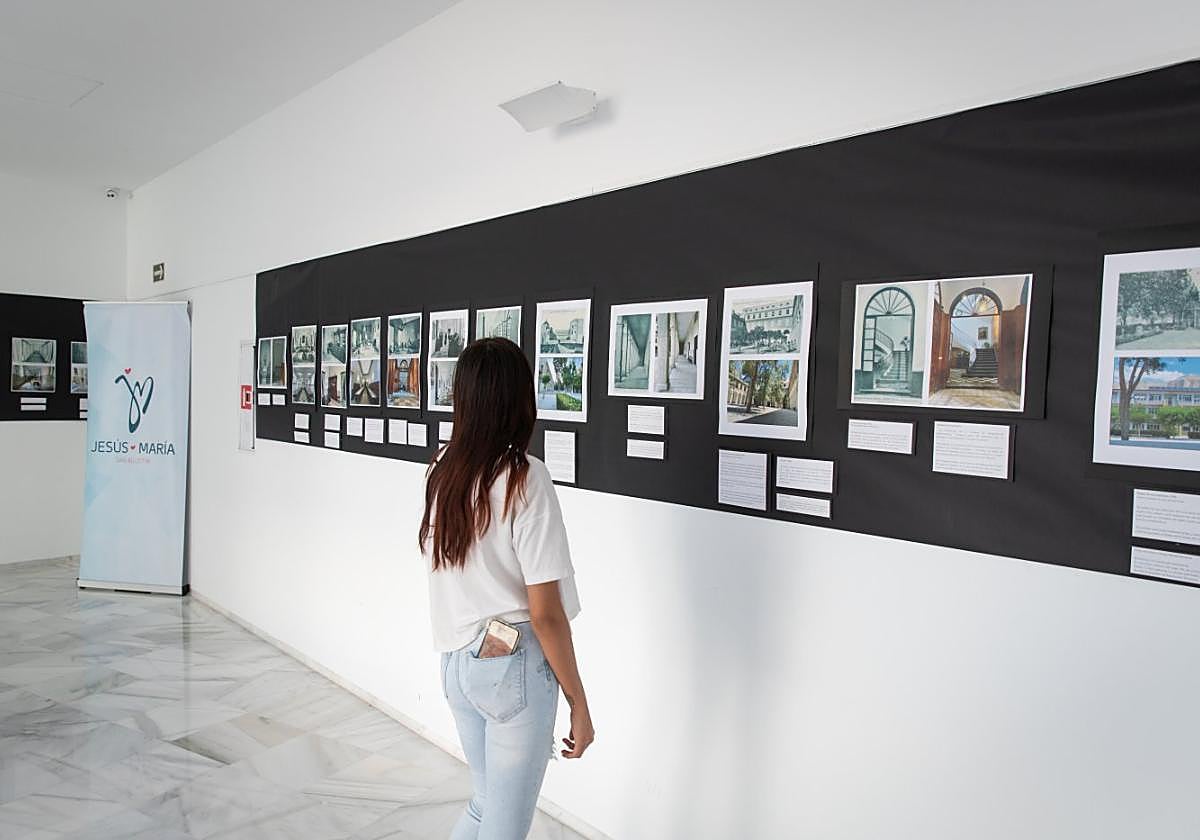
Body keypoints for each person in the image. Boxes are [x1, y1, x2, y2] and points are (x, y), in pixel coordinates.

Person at [419, 337, 594, 840]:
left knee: (483, 805)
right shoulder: (524, 478)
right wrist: (578, 701)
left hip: (456, 663)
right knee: (504, 826)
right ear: (518, 399)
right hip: (511, 667)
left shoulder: (442, 470)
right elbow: (546, 613)